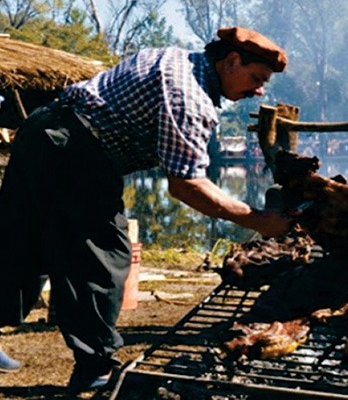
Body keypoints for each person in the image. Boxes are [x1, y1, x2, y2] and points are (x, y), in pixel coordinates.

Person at [0, 26, 293, 395]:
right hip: (73, 150)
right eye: (256, 78)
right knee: (102, 256)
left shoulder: (178, 58)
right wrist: (257, 220)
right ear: (231, 61)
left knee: (22, 244)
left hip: (44, 133)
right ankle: (95, 368)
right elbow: (186, 185)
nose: (259, 90)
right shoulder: (188, 96)